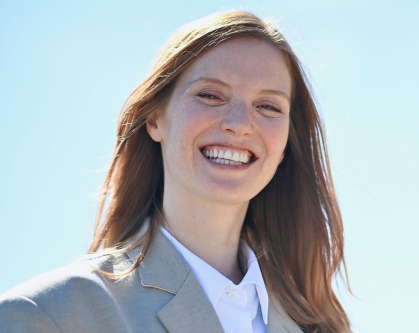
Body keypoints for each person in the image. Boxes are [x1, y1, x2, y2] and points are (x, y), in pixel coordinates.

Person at [0, 10, 351, 333]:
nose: (240, 124)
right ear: (155, 119)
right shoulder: (48, 315)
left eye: (268, 105)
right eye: (211, 95)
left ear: (286, 142)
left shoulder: (317, 326)